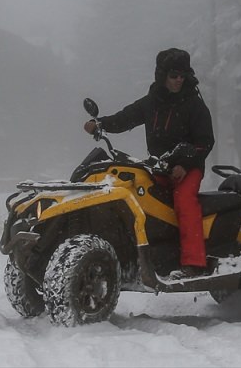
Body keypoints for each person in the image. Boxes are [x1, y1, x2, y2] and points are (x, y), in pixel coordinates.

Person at [83, 48, 215, 279]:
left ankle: (193, 263)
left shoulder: (194, 105)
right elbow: (125, 118)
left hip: (188, 167)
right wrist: (101, 124)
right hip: (159, 165)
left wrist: (184, 164)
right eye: (174, 75)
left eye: (183, 75)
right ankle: (145, 255)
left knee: (184, 201)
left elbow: (205, 141)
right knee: (136, 195)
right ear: (162, 75)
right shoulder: (152, 102)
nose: (178, 80)